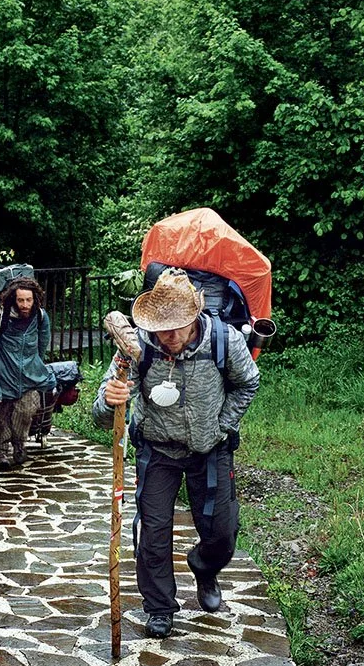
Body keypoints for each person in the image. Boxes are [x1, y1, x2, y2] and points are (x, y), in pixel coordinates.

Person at [93, 268, 260, 639]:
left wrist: (223, 424)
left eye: (175, 327)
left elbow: (248, 381)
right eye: (160, 327)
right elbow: (101, 413)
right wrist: (109, 401)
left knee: (222, 530)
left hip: (210, 447)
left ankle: (204, 567)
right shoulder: (136, 346)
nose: (166, 337)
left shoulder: (224, 341)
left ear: (195, 317)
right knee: (152, 532)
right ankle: (160, 607)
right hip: (157, 448)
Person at [0, 276, 56, 470]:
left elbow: (41, 345)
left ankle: (19, 444)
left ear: (35, 298)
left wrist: (35, 365)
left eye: (29, 300)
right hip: (2, 376)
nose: (25, 304)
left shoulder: (40, 317)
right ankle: (0, 451)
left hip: (29, 378)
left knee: (26, 411)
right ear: (12, 299)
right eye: (20, 300)